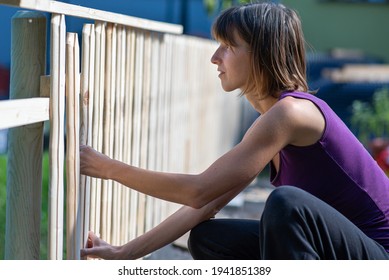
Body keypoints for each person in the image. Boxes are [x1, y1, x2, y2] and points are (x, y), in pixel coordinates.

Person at [80, 2, 389, 260]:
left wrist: (109, 168)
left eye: (228, 46)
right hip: (340, 250)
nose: (215, 57)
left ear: (260, 53)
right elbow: (205, 203)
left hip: (378, 256)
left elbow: (197, 190)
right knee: (208, 238)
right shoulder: (272, 120)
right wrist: (123, 253)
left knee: (287, 205)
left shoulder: (291, 113)